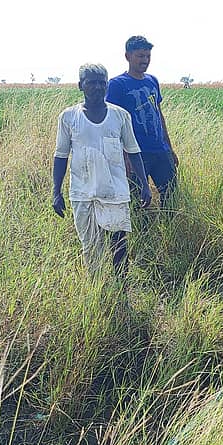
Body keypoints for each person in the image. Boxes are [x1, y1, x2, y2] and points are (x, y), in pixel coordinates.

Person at [52, 63, 151, 275]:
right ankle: (96, 290)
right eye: (91, 83)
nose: (97, 87)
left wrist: (145, 184)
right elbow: (60, 156)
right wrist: (56, 192)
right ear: (81, 85)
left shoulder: (120, 115)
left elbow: (133, 151)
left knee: (119, 246)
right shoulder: (68, 117)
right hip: (82, 193)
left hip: (115, 192)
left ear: (106, 85)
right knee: (90, 247)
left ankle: (121, 290)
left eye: (101, 83)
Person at [106, 35, 179, 208]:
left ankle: (169, 232)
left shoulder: (152, 81)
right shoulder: (117, 84)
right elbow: (113, 123)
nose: (145, 60)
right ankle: (143, 234)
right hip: (136, 153)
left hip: (160, 150)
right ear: (127, 56)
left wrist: (170, 148)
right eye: (140, 56)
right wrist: (124, 156)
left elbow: (159, 115)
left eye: (147, 56)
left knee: (171, 196)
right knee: (140, 202)